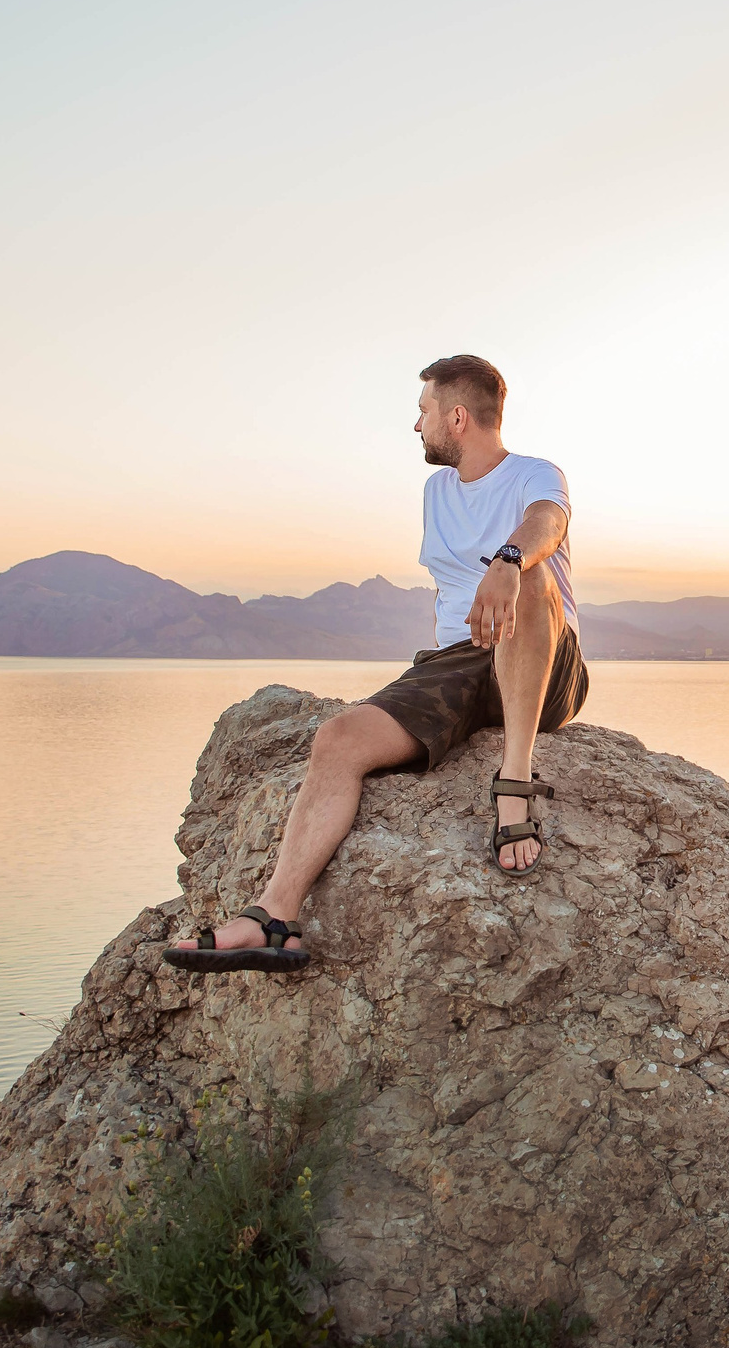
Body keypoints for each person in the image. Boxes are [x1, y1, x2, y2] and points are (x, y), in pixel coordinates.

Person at [164, 354, 587, 974]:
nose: (417, 427)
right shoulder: (436, 491)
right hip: (455, 664)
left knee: (531, 575)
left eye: (424, 412)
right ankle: (274, 917)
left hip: (542, 661)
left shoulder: (534, 475)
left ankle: (514, 782)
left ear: (458, 417)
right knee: (338, 739)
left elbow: (546, 523)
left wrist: (507, 562)